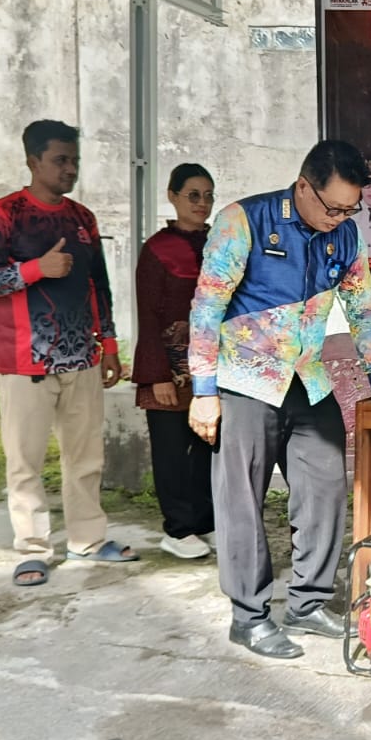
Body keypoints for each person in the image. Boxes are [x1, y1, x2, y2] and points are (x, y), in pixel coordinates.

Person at [188, 139, 371, 660]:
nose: (340, 219)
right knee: (242, 500)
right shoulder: (243, 221)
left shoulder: (346, 235)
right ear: (303, 188)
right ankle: (249, 617)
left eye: (349, 210)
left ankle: (308, 603)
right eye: (332, 207)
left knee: (324, 488)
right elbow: (206, 307)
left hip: (308, 380)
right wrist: (203, 391)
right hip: (245, 380)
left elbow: (362, 308)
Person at [0, 119, 133, 587]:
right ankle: (33, 549)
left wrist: (110, 345)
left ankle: (88, 539)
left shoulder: (83, 218)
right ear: (33, 161)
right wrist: (36, 268)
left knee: (87, 458)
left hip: (82, 359)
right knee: (25, 463)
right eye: (60, 160)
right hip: (25, 363)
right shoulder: (0, 215)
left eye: (74, 160)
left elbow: (98, 285)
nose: (70, 169)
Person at [133, 163, 218, 560]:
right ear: (172, 196)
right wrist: (157, 375)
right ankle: (178, 529)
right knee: (172, 452)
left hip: (213, 367)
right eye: (193, 195)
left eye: (208, 196)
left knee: (207, 447)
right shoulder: (157, 249)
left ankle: (205, 521)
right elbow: (148, 315)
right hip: (169, 368)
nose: (202, 203)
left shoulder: (220, 243)